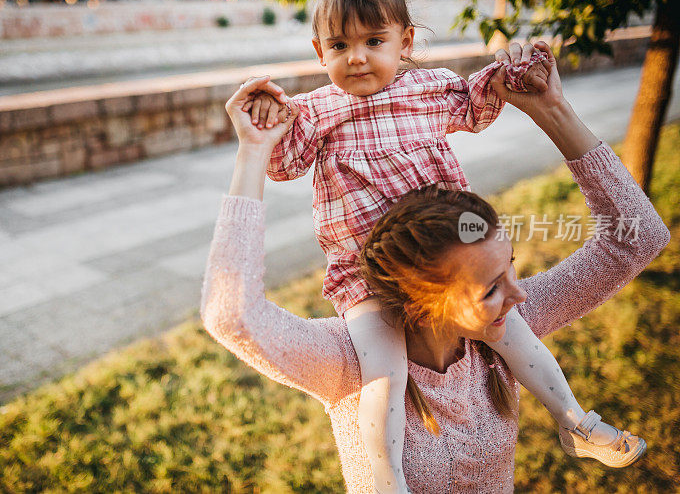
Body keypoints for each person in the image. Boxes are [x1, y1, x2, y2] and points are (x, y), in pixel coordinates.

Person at [199, 40, 669, 492]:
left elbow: (638, 237)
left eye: (511, 268)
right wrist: (253, 153)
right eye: (489, 287)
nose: (520, 294)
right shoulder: (350, 363)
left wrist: (551, 111)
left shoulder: (502, 330)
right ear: (422, 297)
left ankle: (577, 425)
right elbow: (231, 315)